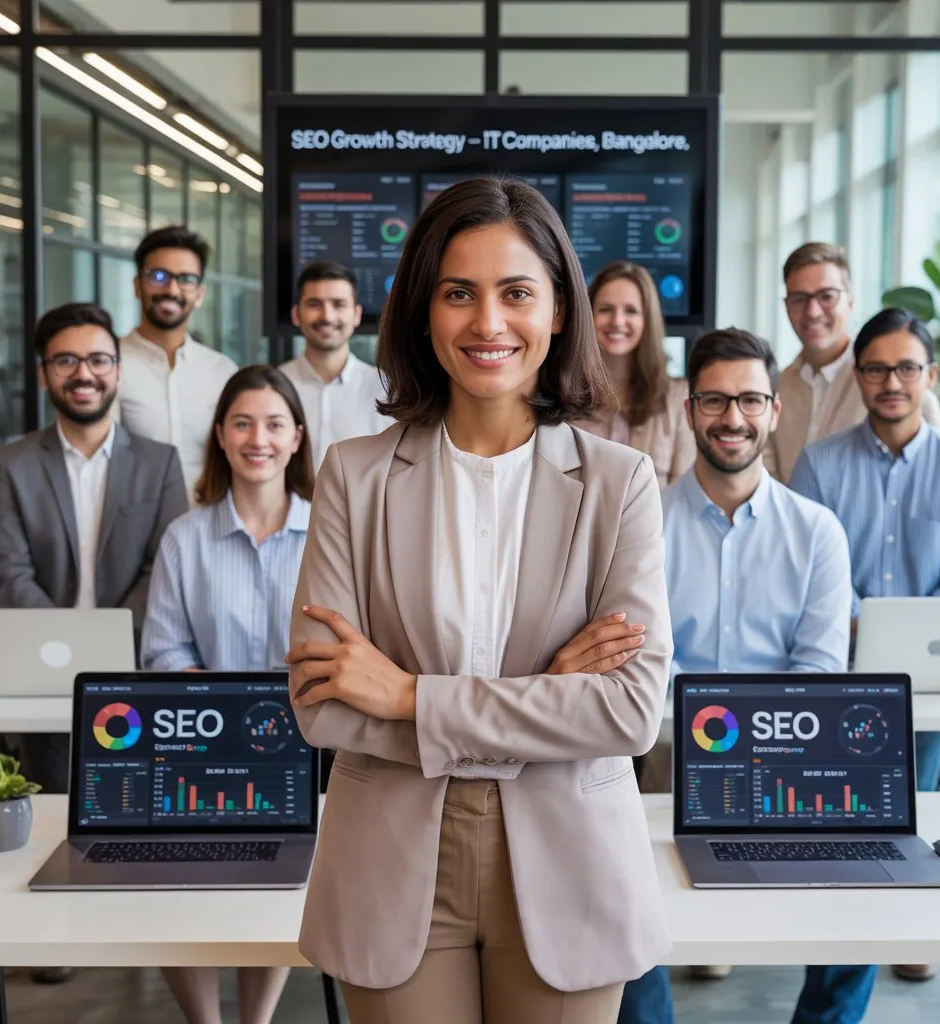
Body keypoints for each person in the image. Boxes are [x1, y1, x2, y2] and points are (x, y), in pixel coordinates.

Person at [285, 178, 673, 1024]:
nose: (488, 323)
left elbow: (630, 712)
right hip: (391, 863)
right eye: (458, 293)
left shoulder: (620, 484)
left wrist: (409, 696)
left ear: (560, 312)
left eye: (516, 293)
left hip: (571, 860)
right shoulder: (354, 475)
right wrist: (550, 694)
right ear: (423, 310)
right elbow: (323, 707)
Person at [619, 327, 870, 1024]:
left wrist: (753, 735)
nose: (734, 418)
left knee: (866, 902)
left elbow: (818, 669)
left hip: (792, 751)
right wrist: (709, 731)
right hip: (668, 752)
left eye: (751, 400)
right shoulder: (642, 526)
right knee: (620, 893)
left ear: (775, 411)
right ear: (688, 409)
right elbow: (641, 662)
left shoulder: (817, 530)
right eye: (717, 401)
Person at [790, 308, 940, 980]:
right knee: (847, 832)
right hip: (839, 673)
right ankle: (850, 945)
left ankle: (904, 929)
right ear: (859, 376)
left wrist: (899, 636)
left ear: (929, 375)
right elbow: (809, 570)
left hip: (930, 684)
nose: (892, 382)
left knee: (911, 813)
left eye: (907, 368)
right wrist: (865, 628)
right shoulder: (818, 464)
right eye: (877, 368)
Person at [141, 364, 314, 1024]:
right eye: (242, 423)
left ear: (296, 438)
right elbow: (163, 651)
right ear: (220, 435)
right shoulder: (185, 538)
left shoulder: (330, 537)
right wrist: (223, 713)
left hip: (301, 746)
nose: (258, 438)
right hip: (200, 743)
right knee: (175, 887)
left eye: (274, 424)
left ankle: (255, 1019)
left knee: (273, 888)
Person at [0, 302, 187, 794]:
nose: (83, 374)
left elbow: (164, 568)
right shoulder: (11, 464)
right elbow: (9, 573)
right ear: (43, 375)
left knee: (140, 811)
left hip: (136, 675)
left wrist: (108, 647)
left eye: (98, 359)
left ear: (117, 371)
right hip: (43, 682)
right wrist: (67, 650)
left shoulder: (160, 463)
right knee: (52, 818)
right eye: (65, 361)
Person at [765, 242, 940, 483]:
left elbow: (938, 473)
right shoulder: (774, 389)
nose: (812, 311)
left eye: (827, 296)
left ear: (850, 302)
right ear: (786, 307)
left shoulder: (896, 387)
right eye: (799, 299)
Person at [114, 225, 238, 503]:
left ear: (199, 294)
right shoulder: (109, 365)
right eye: (158, 276)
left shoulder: (222, 371)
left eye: (185, 279)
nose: (171, 289)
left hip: (208, 531)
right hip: (135, 534)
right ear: (137, 286)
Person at [575, 260, 695, 489]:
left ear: (647, 320)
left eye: (631, 311)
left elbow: (683, 499)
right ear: (588, 315)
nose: (617, 321)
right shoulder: (563, 395)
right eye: (605, 309)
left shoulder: (679, 399)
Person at [278, 260, 393, 468]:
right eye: (314, 304)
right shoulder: (275, 387)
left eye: (338, 304)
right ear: (296, 314)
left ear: (356, 314)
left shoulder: (386, 390)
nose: (327, 316)